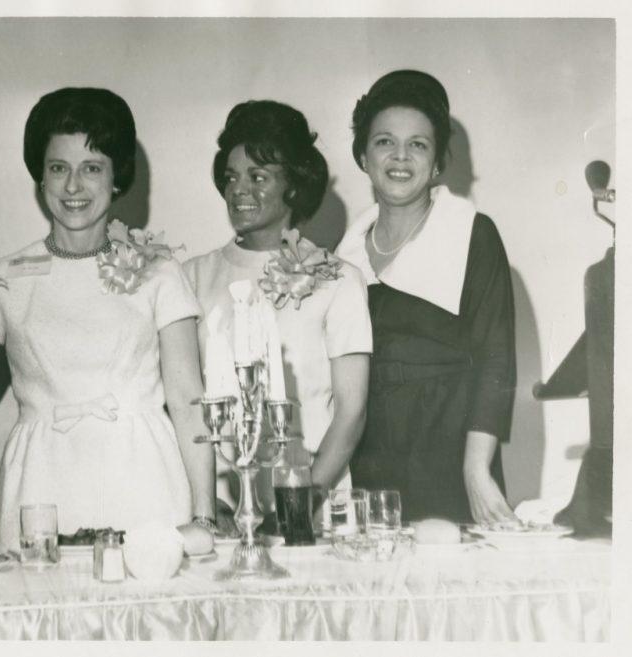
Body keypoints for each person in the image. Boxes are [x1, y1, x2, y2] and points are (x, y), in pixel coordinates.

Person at [0, 87, 215, 552]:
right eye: (58, 168)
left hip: (142, 472)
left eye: (91, 169)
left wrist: (205, 514)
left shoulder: (158, 271)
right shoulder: (3, 278)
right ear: (40, 177)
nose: (72, 187)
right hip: (41, 480)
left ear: (116, 178)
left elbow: (188, 401)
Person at [336, 70, 517, 525]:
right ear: (363, 154)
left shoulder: (471, 232)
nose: (400, 156)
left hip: (450, 447)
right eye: (384, 142)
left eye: (418, 144)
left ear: (437, 162)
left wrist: (476, 469)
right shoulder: (344, 251)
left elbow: (497, 359)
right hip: (369, 449)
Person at [184, 100, 371, 528]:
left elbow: (351, 411)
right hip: (219, 510)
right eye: (231, 177)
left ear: (294, 185)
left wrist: (300, 504)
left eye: (258, 176)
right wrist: (210, 503)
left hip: (314, 506)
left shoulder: (339, 279)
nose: (238, 190)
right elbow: (182, 403)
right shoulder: (191, 277)